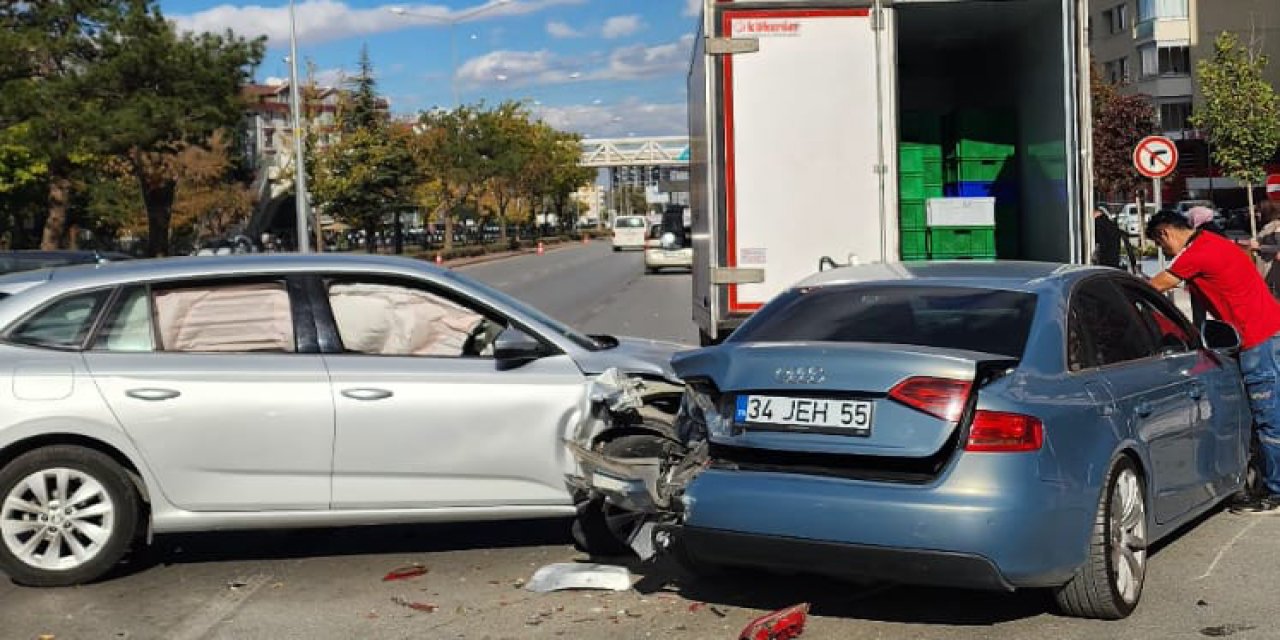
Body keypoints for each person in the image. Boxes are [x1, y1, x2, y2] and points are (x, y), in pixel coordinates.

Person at [1145, 210, 1280, 513]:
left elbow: (1154, 287)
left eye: (1160, 244)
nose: (1164, 252)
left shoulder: (1196, 254)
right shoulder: (1213, 241)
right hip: (1264, 332)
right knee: (1267, 415)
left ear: (1166, 233)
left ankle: (1276, 493)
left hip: (1257, 338)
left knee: (1269, 418)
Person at [1092, 206, 1136, 271]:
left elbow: (1100, 245)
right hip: (1114, 261)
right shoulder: (1113, 227)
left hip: (1104, 262)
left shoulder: (1098, 225)